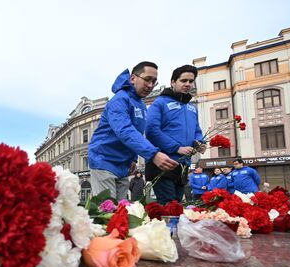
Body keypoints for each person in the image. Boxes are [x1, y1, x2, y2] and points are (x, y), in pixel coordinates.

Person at [88, 62, 178, 200]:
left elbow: (137, 131)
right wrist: (153, 154)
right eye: (147, 79)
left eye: (154, 81)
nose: (150, 85)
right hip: (104, 161)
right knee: (106, 213)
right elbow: (124, 130)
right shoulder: (119, 99)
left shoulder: (141, 104)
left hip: (123, 166)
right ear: (132, 78)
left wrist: (133, 159)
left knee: (122, 213)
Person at [144, 64, 206, 204]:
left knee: (177, 206)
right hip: (163, 163)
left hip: (183, 165)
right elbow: (151, 131)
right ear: (173, 82)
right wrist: (176, 148)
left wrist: (201, 142)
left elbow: (197, 130)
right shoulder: (160, 103)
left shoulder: (192, 107)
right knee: (168, 206)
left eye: (191, 81)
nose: (188, 84)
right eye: (183, 81)